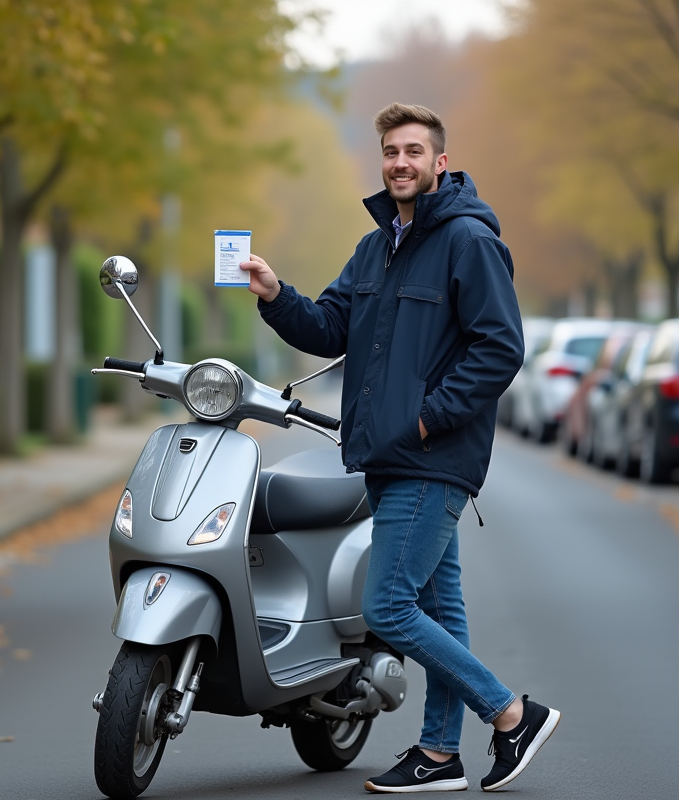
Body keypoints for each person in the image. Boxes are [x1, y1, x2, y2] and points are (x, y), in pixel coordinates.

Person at [240, 103, 560, 793]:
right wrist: (274, 295)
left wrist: (425, 420)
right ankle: (440, 756)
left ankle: (509, 714)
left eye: (414, 151)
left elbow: (500, 346)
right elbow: (330, 328)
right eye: (391, 151)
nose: (401, 163)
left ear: (440, 162)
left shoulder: (468, 241)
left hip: (431, 455)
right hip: (387, 456)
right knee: (440, 612)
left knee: (386, 607)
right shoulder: (376, 245)